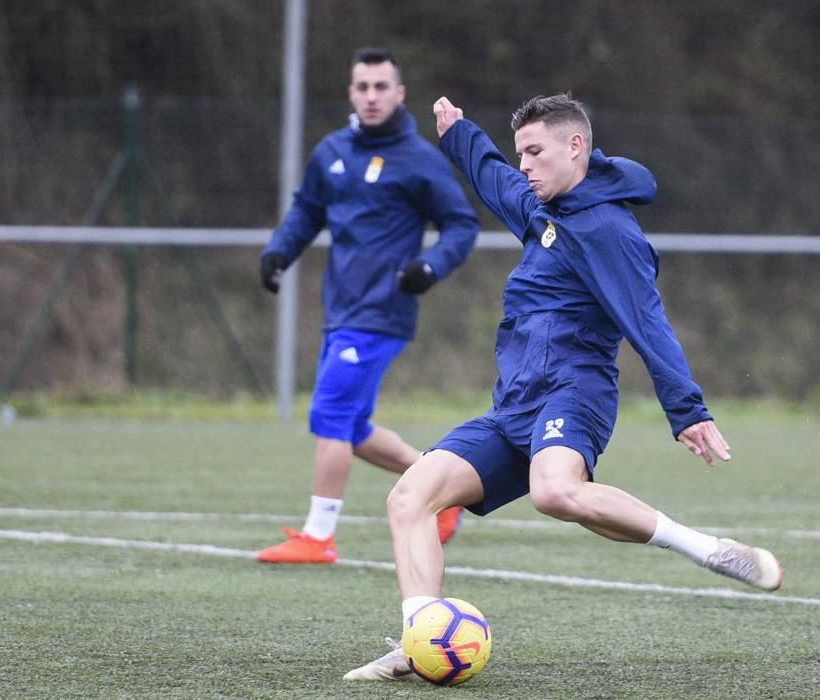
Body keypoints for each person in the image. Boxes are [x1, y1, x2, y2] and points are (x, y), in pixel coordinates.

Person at [343, 93, 783, 680]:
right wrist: (461, 137)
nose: (526, 165)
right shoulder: (545, 210)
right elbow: (499, 183)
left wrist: (687, 409)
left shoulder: (610, 231)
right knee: (408, 497)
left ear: (576, 147)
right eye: (522, 152)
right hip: (514, 405)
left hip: (574, 392)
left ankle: (708, 549)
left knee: (553, 492)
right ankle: (420, 635)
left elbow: (647, 322)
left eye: (535, 152)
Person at [256, 49, 480, 564]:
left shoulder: (419, 158)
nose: (372, 95)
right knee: (351, 429)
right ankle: (443, 493)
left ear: (400, 94)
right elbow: (308, 210)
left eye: (382, 86)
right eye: (363, 87)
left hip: (383, 309)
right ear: (351, 93)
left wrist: (430, 267)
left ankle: (318, 536)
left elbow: (460, 224)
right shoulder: (333, 151)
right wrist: (278, 252)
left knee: (331, 414)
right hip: (341, 307)